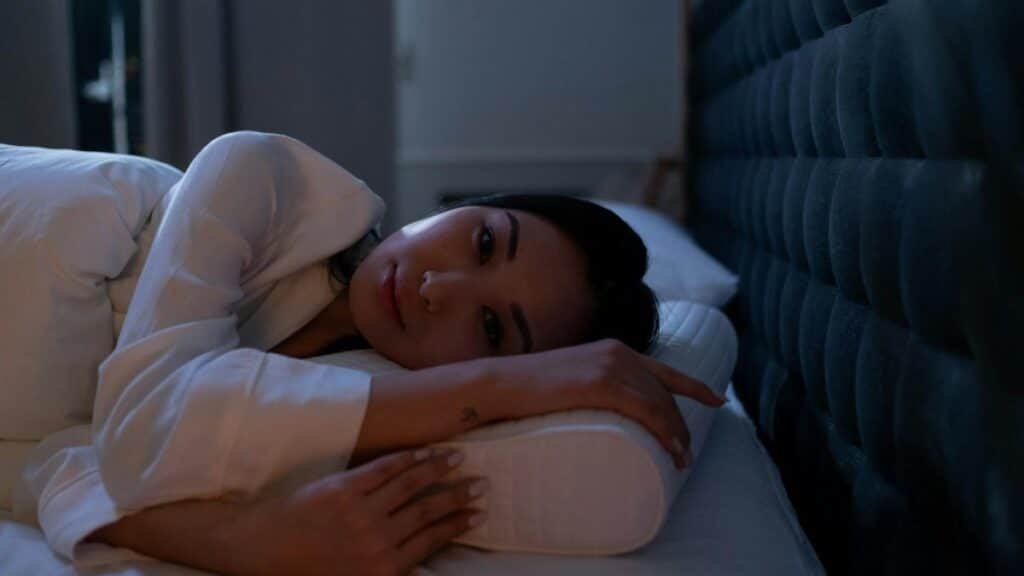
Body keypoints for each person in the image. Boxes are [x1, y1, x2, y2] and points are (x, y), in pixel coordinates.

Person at [2, 131, 723, 575]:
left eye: (494, 329)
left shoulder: (335, 396)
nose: (440, 287)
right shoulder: (263, 178)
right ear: (463, 203)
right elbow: (142, 431)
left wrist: (256, 543)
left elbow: (57, 463)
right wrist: (507, 379)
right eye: (482, 241)